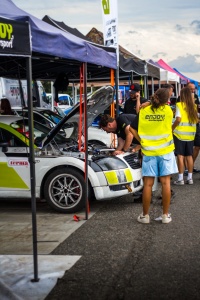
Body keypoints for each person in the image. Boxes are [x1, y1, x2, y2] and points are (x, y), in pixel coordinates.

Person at [129, 88, 178, 224]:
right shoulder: (168, 111)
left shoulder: (144, 111)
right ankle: (165, 216)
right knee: (166, 183)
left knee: (148, 185)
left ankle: (145, 216)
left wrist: (142, 141)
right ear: (166, 100)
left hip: (149, 151)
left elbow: (131, 128)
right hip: (165, 151)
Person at [173, 87, 198, 185]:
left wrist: (172, 128)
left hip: (180, 134)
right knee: (189, 156)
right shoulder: (194, 106)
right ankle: (190, 178)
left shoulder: (179, 105)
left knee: (180, 156)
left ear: (182, 95)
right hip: (190, 135)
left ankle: (180, 179)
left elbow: (178, 119)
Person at [177, 82, 200, 173]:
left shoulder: (196, 97)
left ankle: (190, 166)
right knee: (185, 153)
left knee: (197, 146)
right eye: (191, 89)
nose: (192, 90)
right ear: (186, 89)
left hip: (194, 127)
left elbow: (196, 110)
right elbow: (179, 117)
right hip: (183, 130)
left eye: (194, 89)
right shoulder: (180, 99)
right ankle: (187, 169)